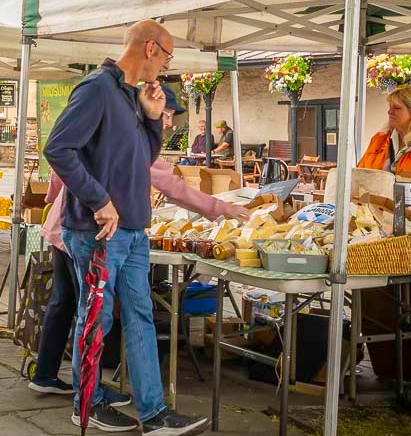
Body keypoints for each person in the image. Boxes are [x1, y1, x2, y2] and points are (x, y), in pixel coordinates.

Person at [44, 19, 209, 436]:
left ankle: (153, 413)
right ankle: (88, 402)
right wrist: (99, 200)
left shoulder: (132, 97)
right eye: (169, 56)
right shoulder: (97, 88)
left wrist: (153, 118)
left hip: (134, 227)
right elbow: (58, 148)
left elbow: (141, 158)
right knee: (95, 316)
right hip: (99, 229)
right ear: (151, 48)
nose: (167, 66)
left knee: (139, 316)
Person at [31, 93, 249, 400]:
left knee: (67, 303)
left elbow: (59, 170)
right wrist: (219, 208)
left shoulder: (103, 132)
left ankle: (47, 374)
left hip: (63, 224)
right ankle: (88, 395)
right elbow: (173, 187)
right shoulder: (135, 142)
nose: (170, 121)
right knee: (92, 313)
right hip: (88, 229)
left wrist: (53, 200)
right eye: (167, 114)